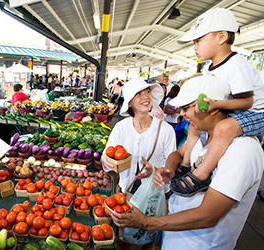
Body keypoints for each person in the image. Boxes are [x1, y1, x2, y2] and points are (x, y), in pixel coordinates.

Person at [111, 75, 264, 250]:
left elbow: (208, 216)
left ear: (212, 108)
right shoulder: (203, 136)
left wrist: (146, 222)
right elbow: (176, 154)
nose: (181, 114)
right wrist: (166, 169)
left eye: (186, 107)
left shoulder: (242, 151)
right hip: (175, 238)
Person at [171, 8, 264, 196]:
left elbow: (246, 101)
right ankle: (186, 164)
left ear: (221, 37)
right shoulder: (209, 69)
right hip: (233, 111)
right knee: (194, 126)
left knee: (223, 129)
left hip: (255, 113)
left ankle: (202, 175)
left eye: (198, 40)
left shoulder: (236, 64)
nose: (195, 46)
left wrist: (217, 105)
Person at [101, 77, 176, 194]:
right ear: (129, 102)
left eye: (148, 91)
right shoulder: (121, 127)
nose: (146, 97)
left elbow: (171, 166)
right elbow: (106, 157)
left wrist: (155, 171)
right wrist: (106, 160)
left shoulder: (166, 130)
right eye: (138, 94)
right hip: (126, 190)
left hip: (155, 194)